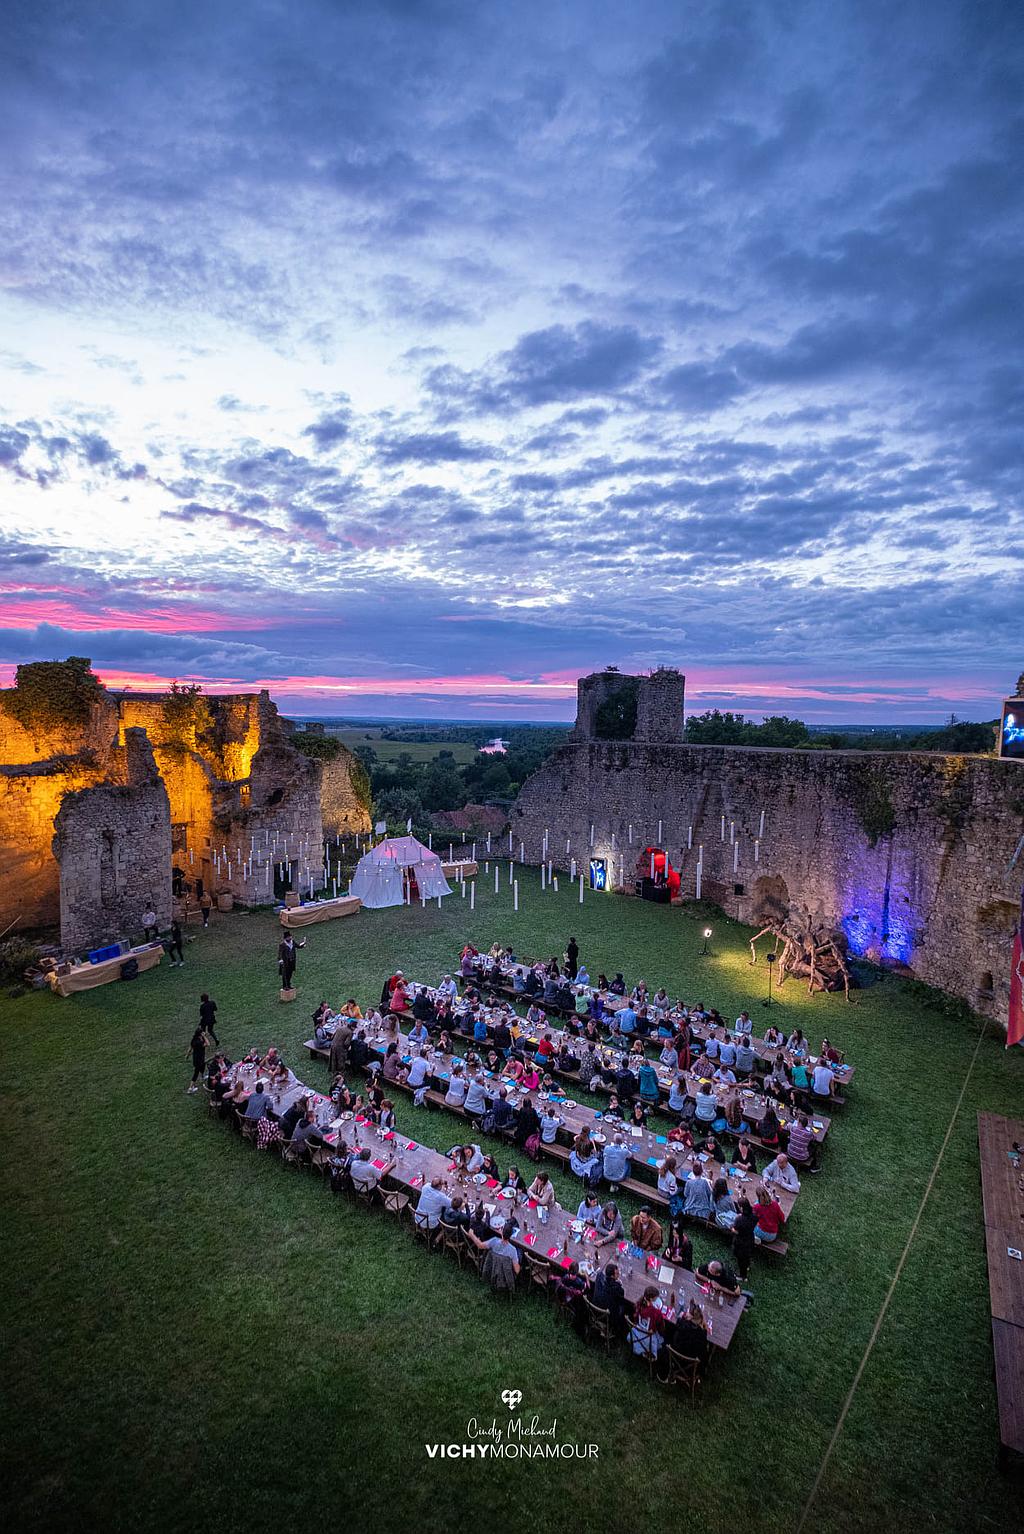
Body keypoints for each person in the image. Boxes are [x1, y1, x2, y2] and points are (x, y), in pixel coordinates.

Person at [669, 1300, 709, 1366]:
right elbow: (704, 1348)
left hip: (676, 1356)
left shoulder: (682, 1324)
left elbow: (678, 1321)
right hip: (691, 1363)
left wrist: (684, 1317)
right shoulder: (702, 1334)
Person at [593, 1262, 628, 1334]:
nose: (619, 1275)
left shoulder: (599, 1276)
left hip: (595, 1307)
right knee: (625, 1307)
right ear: (612, 1276)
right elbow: (621, 1302)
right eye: (617, 1274)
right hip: (607, 1315)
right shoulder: (618, 1289)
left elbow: (600, 1274)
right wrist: (618, 1284)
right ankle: (619, 1328)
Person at [732, 1199, 756, 1278]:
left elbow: (736, 1231)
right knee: (747, 1255)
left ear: (741, 1208)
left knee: (741, 1259)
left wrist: (732, 1229)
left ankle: (742, 1276)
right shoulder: (753, 1216)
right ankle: (747, 1266)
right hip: (750, 1238)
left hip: (741, 1242)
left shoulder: (739, 1220)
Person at [186, 1023, 207, 1092]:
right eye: (202, 1032)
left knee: (203, 1065)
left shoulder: (194, 1039)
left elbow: (190, 1048)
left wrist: (187, 1055)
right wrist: (204, 1037)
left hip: (197, 1057)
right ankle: (190, 1088)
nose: (204, 1032)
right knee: (196, 1072)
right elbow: (208, 1044)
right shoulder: (199, 1042)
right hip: (199, 1058)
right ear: (200, 1034)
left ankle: (203, 1076)